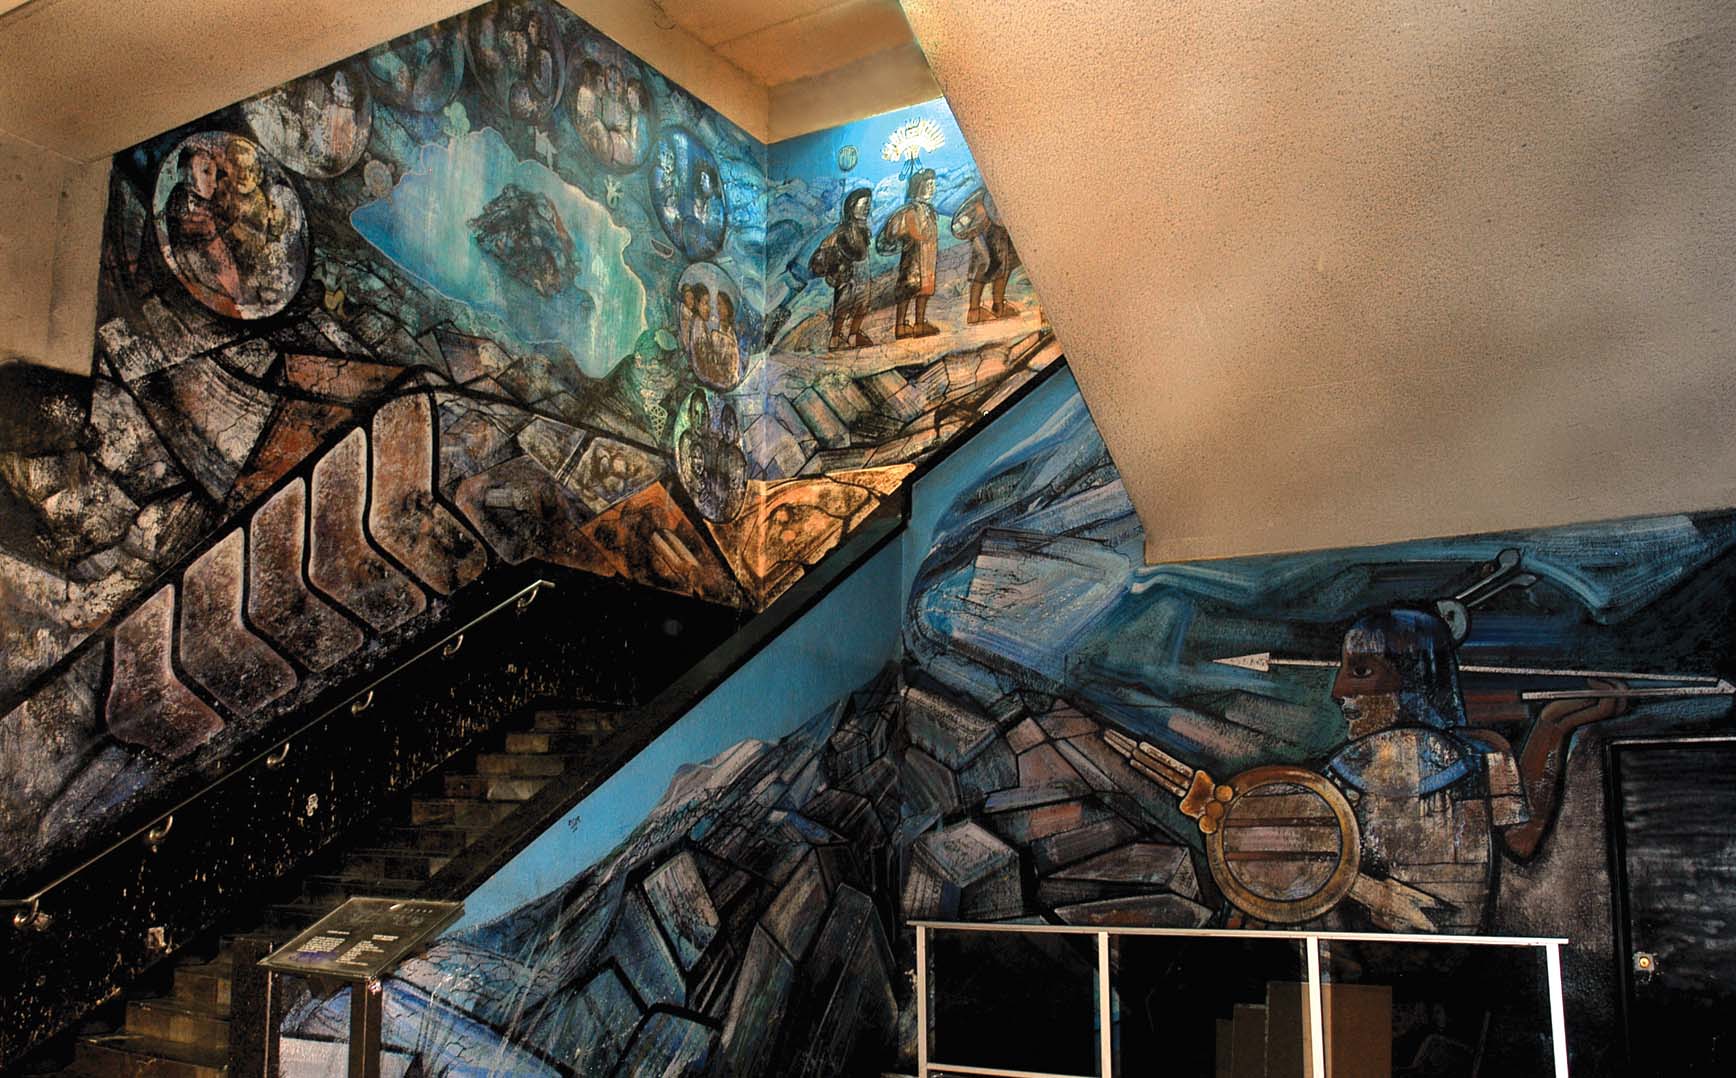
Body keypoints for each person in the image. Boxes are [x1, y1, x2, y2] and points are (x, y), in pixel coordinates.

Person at [164, 144, 242, 312]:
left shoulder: (206, 206)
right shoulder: (189, 213)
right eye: (206, 172)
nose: (214, 184)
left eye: (214, 174)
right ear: (186, 175)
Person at [875, 168, 940, 338]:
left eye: (933, 184)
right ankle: (900, 325)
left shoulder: (928, 210)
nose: (932, 188)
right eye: (928, 184)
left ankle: (920, 323)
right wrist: (922, 236)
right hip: (914, 257)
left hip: (928, 256)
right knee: (908, 289)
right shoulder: (911, 210)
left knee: (925, 289)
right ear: (918, 187)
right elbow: (915, 232)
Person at [809, 187, 874, 349]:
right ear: (852, 207)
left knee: (862, 304)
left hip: (862, 271)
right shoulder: (843, 231)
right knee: (843, 305)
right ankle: (835, 338)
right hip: (847, 273)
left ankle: (853, 335)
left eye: (868, 205)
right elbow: (827, 247)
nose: (866, 208)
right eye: (863, 204)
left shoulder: (863, 230)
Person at [950, 186, 1021, 324]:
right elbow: (978, 214)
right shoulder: (983, 196)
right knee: (983, 268)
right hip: (986, 233)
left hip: (1000, 234)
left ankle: (998, 305)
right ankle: (974, 311)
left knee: (1003, 268)